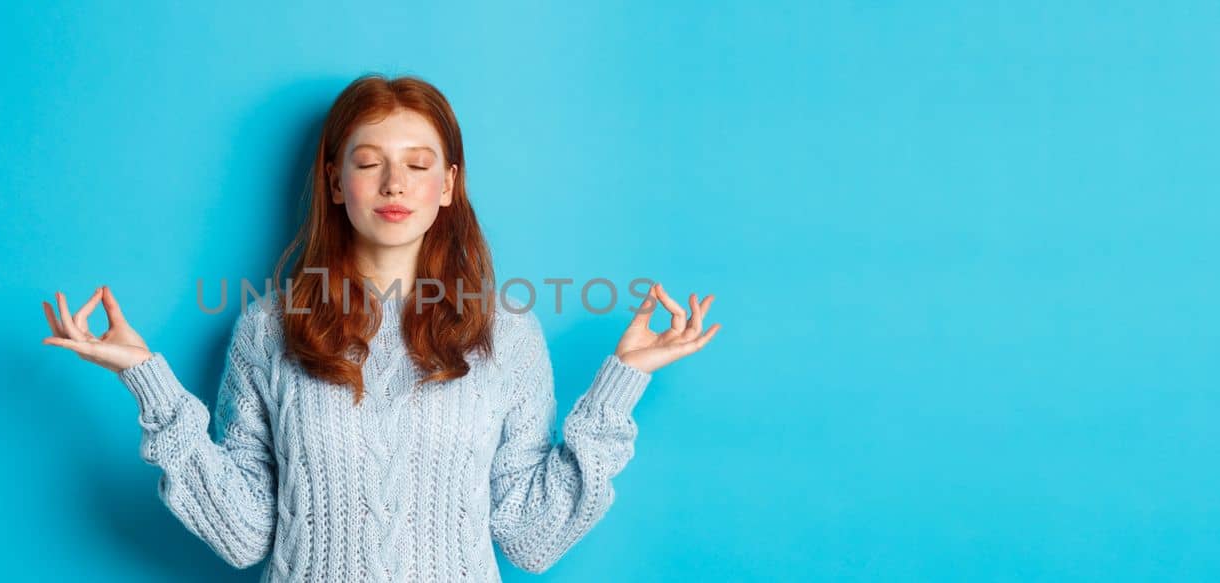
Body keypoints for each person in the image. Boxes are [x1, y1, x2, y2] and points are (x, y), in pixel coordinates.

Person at [41, 74, 721, 581]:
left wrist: (622, 384)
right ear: (336, 182)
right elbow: (243, 531)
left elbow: (530, 536)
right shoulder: (269, 327)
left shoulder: (506, 333)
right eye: (369, 162)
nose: (394, 183)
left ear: (449, 184)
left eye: (418, 164)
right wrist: (145, 380)